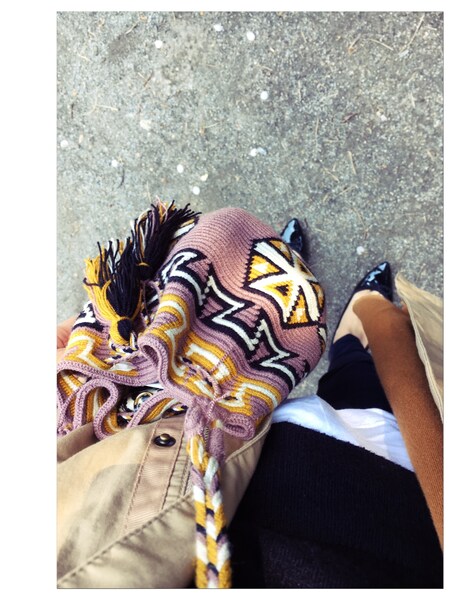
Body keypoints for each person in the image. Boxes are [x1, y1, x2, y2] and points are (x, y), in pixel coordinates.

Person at [57, 208, 442, 589]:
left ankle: (275, 294)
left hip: (199, 439)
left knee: (303, 364)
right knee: (360, 385)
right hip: (377, 496)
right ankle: (330, 320)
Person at [227, 220, 443, 588]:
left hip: (236, 468)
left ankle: (285, 289)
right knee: (357, 380)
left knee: (245, 359)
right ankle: (345, 332)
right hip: (378, 499)